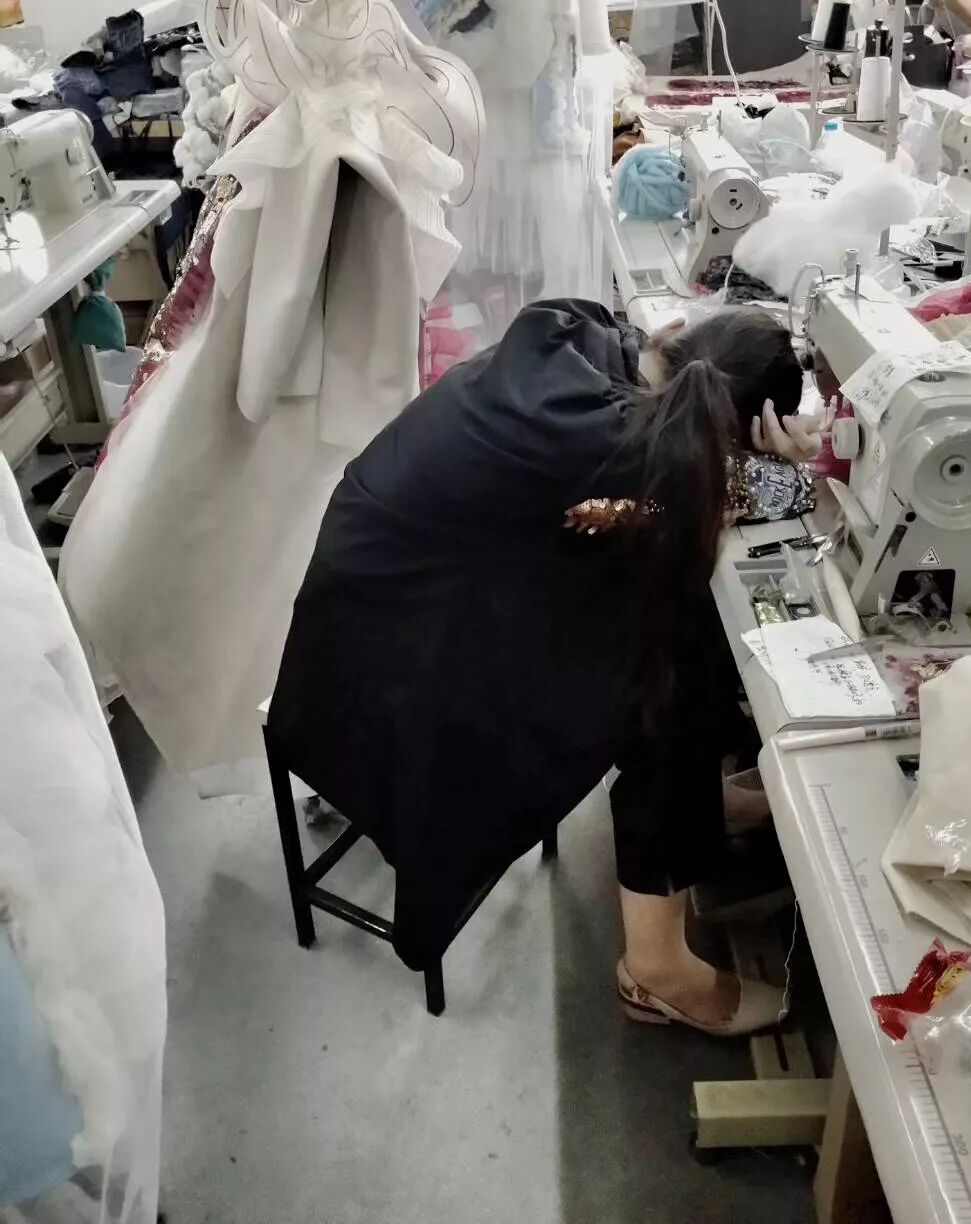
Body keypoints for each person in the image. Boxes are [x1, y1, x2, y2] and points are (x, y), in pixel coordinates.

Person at [267, 299, 825, 1035]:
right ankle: (656, 967)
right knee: (666, 678)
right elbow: (707, 502)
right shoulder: (624, 449)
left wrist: (736, 463)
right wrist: (786, 463)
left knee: (673, 626)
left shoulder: (580, 339)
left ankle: (694, 808)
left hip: (384, 596)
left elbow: (639, 506)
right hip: (395, 665)